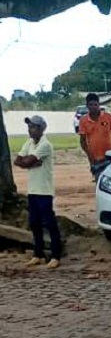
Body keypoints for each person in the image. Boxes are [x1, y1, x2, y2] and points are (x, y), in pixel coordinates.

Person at [13, 115, 62, 269]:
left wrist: (29, 162)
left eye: (33, 127)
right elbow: (18, 160)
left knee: (49, 223)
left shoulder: (45, 145)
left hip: (44, 191)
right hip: (33, 190)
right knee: (34, 223)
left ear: (41, 129)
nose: (30, 130)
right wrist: (31, 163)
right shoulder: (29, 143)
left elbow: (26, 161)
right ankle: (38, 254)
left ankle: (55, 255)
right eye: (29, 127)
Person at [79, 93, 111, 177]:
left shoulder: (109, 117)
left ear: (99, 105)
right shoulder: (83, 120)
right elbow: (82, 141)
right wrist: (89, 155)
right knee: (99, 180)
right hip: (95, 158)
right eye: (91, 105)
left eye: (95, 104)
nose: (93, 107)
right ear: (87, 106)